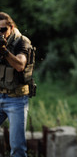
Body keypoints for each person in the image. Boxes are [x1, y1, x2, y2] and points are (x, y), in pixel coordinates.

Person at [0, 12, 34, 157]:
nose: (0, 34)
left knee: (17, 149)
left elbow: (20, 65)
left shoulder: (22, 42)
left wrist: (3, 50)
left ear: (11, 27)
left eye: (2, 30)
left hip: (16, 100)